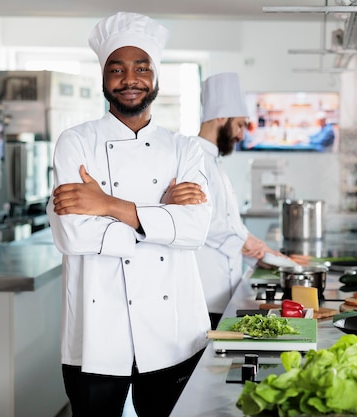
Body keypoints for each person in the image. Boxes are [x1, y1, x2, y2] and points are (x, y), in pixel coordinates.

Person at [46, 12, 212, 417]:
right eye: (116, 69)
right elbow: (71, 236)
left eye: (141, 68)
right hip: (96, 334)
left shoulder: (185, 149)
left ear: (156, 77)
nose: (129, 79)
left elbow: (194, 231)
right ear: (104, 78)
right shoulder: (75, 142)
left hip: (173, 333)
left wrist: (106, 206)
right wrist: (159, 222)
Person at [184, 72, 287, 328]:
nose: (242, 135)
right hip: (204, 292)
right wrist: (246, 243)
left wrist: (260, 251)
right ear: (221, 117)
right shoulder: (191, 158)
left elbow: (230, 222)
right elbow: (200, 221)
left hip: (225, 289)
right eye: (240, 124)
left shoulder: (215, 161)